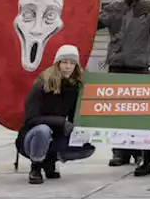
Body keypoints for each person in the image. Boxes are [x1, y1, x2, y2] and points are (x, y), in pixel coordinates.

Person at [99, 0, 150, 176]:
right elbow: (92, 24)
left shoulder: (148, 8)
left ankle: (139, 152)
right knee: (118, 113)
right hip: (116, 65)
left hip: (139, 67)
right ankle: (120, 151)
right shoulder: (113, 8)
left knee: (138, 113)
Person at [17, 44, 95, 184]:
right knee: (43, 130)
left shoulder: (75, 87)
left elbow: (74, 116)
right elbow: (31, 119)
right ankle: (36, 167)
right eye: (64, 62)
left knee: (87, 147)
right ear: (57, 64)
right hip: (31, 138)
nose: (68, 66)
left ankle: (49, 162)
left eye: (72, 63)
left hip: (56, 135)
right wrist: (61, 122)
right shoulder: (41, 86)